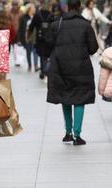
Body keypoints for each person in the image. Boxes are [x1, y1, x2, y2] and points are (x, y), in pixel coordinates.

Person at [46, 0, 98, 145]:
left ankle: (68, 132)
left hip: (61, 67)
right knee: (80, 99)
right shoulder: (85, 25)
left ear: (67, 7)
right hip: (81, 68)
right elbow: (93, 48)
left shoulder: (57, 24)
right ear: (79, 7)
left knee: (65, 97)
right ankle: (77, 135)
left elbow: (48, 43)